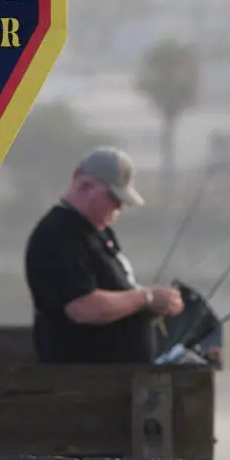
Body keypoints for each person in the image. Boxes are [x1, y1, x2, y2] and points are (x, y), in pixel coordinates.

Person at [24, 146, 184, 363]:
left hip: (123, 378)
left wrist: (152, 307)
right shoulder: (58, 235)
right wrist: (147, 298)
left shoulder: (96, 230)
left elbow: (117, 292)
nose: (119, 207)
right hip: (88, 383)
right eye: (113, 197)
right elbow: (83, 307)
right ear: (84, 184)